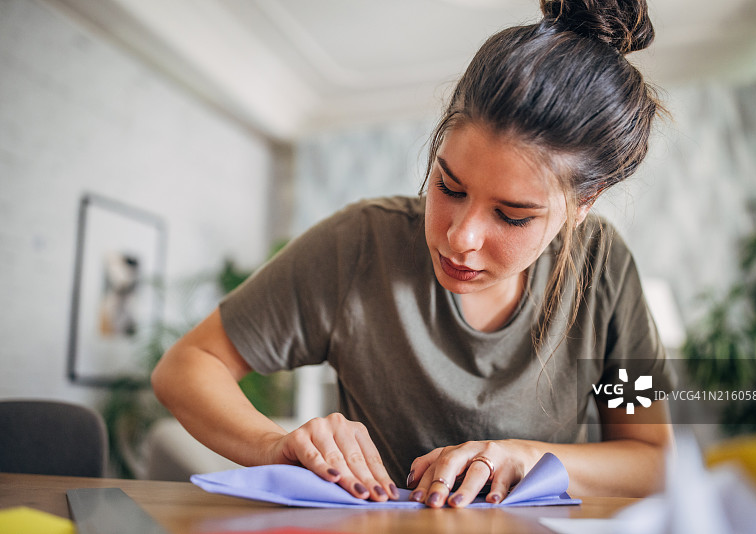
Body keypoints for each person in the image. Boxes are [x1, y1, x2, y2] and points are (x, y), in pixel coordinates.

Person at [152, 0, 675, 508]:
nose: (459, 237)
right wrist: (272, 446)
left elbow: (650, 459)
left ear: (585, 202)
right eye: (448, 187)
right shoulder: (360, 246)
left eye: (512, 216)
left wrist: (526, 458)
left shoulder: (603, 268)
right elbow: (187, 365)